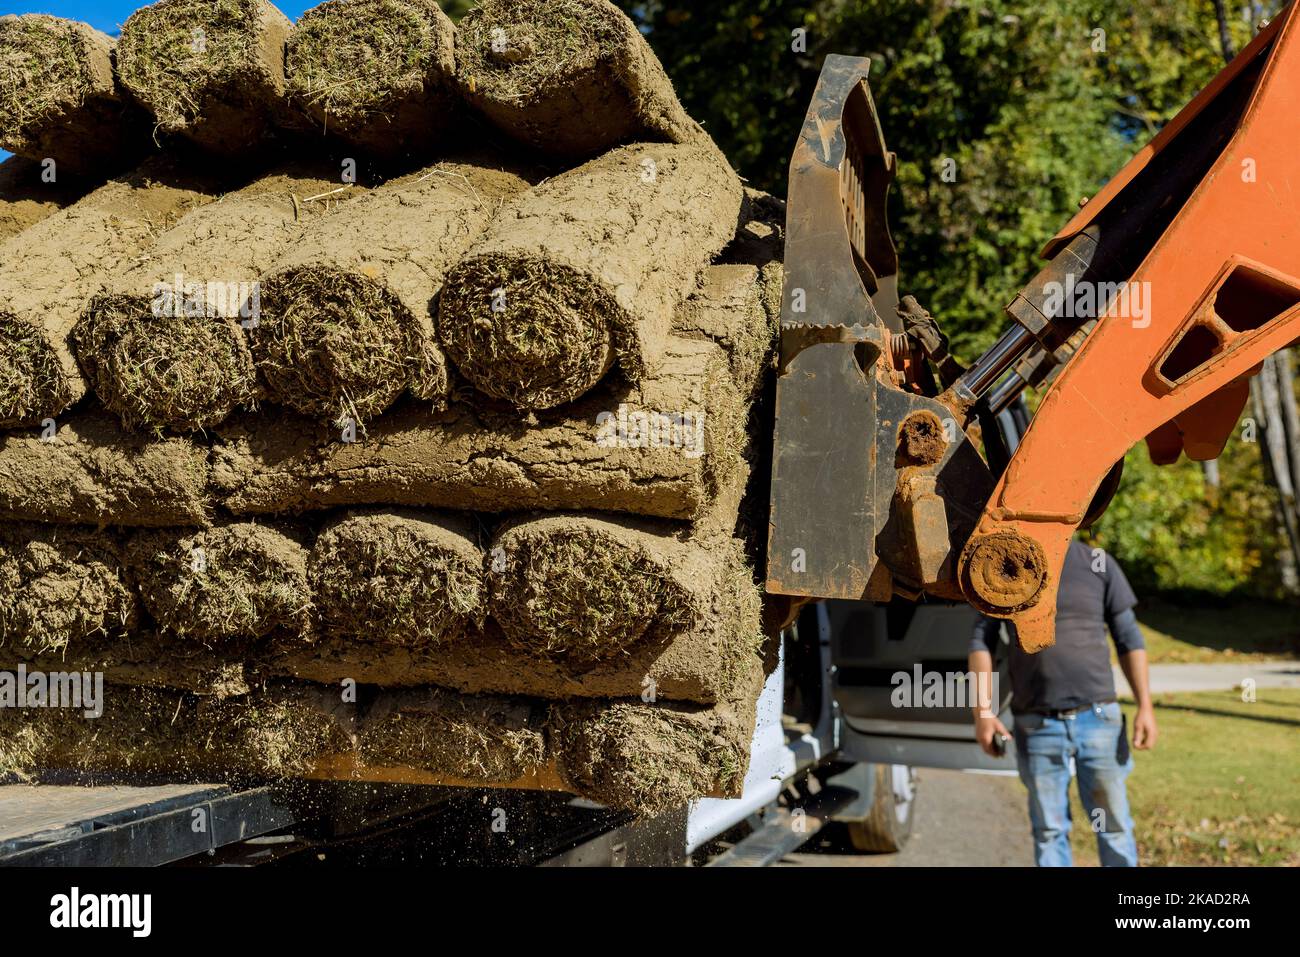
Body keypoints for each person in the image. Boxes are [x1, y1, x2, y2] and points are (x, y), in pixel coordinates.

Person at [968, 537, 1157, 867]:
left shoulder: (1098, 563)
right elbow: (980, 641)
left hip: (1098, 718)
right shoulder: (1009, 565)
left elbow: (1129, 638)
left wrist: (1146, 706)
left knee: (1112, 825)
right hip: (1037, 724)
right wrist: (983, 712)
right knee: (1049, 829)